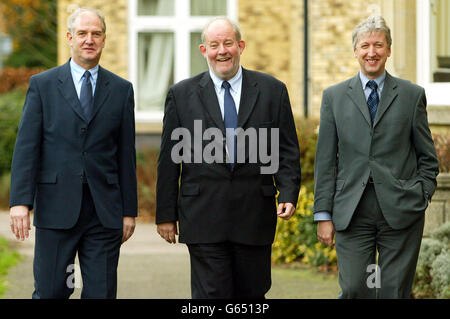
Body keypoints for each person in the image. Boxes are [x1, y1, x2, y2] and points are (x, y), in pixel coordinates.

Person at [156, 17, 301, 299]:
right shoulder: (181, 95)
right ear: (203, 51)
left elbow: (286, 149)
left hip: (254, 215)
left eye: (228, 43)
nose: (222, 51)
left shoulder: (272, 91)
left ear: (240, 46)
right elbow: (170, 159)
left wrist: (289, 191)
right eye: (214, 45)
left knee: (252, 295)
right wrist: (166, 214)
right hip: (202, 216)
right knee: (212, 296)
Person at [9, 7, 137, 299]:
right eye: (82, 33)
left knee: (100, 293)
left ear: (104, 40)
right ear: (70, 37)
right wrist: (20, 202)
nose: (89, 40)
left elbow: (126, 155)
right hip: (56, 210)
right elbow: (27, 148)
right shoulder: (42, 85)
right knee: (52, 292)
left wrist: (129, 210)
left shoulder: (121, 90)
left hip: (104, 213)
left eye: (96, 34)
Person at [314, 15, 439, 299]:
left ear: (389, 50)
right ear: (356, 51)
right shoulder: (334, 97)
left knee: (392, 291)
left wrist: (421, 195)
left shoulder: (411, 95)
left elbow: (428, 158)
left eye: (379, 45)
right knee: (356, 288)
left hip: (401, 208)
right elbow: (325, 161)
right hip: (351, 210)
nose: (372, 52)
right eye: (365, 46)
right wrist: (323, 214)